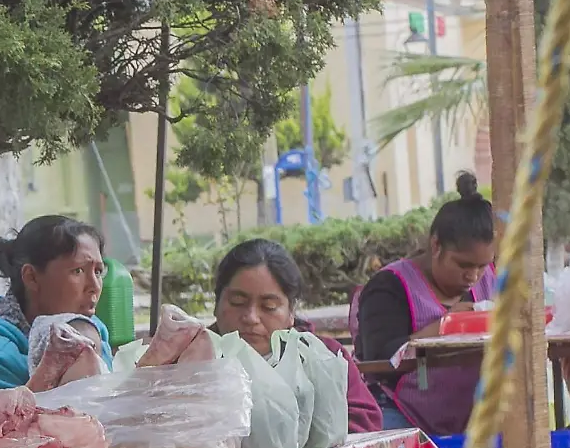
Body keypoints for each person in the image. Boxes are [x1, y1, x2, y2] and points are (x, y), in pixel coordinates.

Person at [353, 172, 499, 434]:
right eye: (463, 264)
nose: (473, 276)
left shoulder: (493, 279)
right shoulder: (390, 286)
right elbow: (380, 360)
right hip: (402, 411)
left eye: (482, 266)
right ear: (436, 245)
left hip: (476, 412)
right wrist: (447, 326)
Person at [213, 239, 383, 434]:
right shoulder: (189, 360)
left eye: (268, 306)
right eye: (237, 302)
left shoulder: (325, 360)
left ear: (291, 312)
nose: (251, 318)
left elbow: (365, 426)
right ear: (217, 303)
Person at [0, 215, 109, 394]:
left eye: (98, 271)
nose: (95, 286)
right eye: (78, 271)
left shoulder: (91, 330)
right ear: (32, 277)